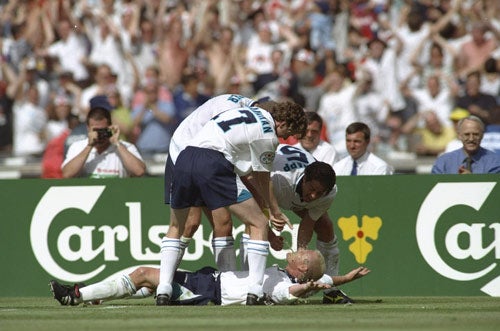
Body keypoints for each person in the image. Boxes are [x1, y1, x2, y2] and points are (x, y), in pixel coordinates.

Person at [156, 100, 307, 306]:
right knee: (259, 224)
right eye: (289, 131)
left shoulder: (242, 112)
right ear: (282, 122)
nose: (287, 137)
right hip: (212, 162)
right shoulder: (268, 135)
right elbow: (263, 178)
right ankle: (255, 290)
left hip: (184, 158)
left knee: (176, 226)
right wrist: (274, 211)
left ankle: (163, 287)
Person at [49, 249, 371, 306]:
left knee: (145, 274)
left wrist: (307, 288)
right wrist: (346, 278)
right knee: (146, 276)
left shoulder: (282, 284)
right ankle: (92, 294)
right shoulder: (283, 273)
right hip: (209, 280)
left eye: (304, 255)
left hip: (209, 292)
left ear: (301, 270)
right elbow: (324, 282)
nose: (300, 250)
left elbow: (293, 293)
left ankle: (75, 296)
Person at [61, 95, 146, 178]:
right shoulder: (77, 147)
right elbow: (67, 174)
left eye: (102, 130)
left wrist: (117, 143)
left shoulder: (126, 147)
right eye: (95, 131)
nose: (99, 135)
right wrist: (89, 146)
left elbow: (139, 172)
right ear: (88, 128)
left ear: (110, 127)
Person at [431, 116, 500, 174]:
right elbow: (433, 186)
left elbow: (495, 188)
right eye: (467, 134)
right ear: (459, 136)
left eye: (476, 134)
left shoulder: (494, 161)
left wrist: (471, 180)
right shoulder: (444, 162)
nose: (471, 139)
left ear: (482, 135)